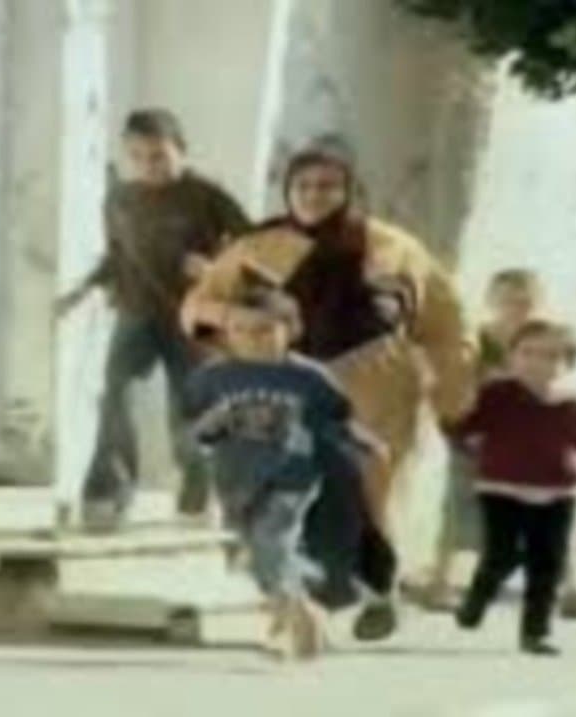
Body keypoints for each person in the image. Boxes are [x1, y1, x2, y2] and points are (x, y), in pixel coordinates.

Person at [180, 144, 477, 641]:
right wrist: (235, 319)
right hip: (284, 385)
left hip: (377, 383)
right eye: (304, 186)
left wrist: (452, 387)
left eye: (327, 187)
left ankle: (378, 590)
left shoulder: (394, 248)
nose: (315, 196)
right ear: (288, 191)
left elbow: (446, 320)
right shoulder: (256, 249)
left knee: (371, 491)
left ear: (349, 192)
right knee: (287, 491)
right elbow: (198, 306)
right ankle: (301, 595)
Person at [56, 108, 251, 531]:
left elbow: (252, 248)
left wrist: (216, 270)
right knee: (116, 396)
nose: (149, 166)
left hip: (192, 318)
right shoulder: (120, 199)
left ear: (181, 150)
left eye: (159, 156)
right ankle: (108, 494)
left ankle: (198, 493)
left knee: (191, 409)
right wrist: (82, 290)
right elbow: (118, 255)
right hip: (137, 312)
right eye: (138, 157)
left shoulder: (206, 195)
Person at [185, 284, 391, 660]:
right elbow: (194, 429)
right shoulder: (212, 378)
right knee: (256, 557)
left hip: (291, 478)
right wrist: (212, 429)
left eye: (264, 330)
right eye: (240, 330)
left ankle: (301, 615)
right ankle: (342, 593)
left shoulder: (309, 379)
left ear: (291, 330)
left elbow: (337, 420)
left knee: (272, 542)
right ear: (227, 333)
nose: (252, 339)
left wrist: (366, 444)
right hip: (235, 481)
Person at [417, 269, 576, 619]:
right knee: (458, 509)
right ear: (493, 302)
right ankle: (439, 583)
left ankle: (570, 591)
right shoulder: (477, 340)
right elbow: (456, 380)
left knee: (555, 509)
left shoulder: (546, 336)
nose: (515, 308)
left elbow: (567, 365)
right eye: (507, 300)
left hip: (534, 437)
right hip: (482, 434)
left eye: (523, 301)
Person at [451, 319, 576, 656]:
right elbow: (464, 427)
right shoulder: (496, 395)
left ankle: (535, 633)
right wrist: (468, 440)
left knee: (547, 564)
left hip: (558, 493)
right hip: (501, 488)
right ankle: (476, 601)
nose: (537, 362)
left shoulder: (572, 405)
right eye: (527, 352)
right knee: (501, 555)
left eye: (551, 356)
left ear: (568, 364)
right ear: (511, 357)